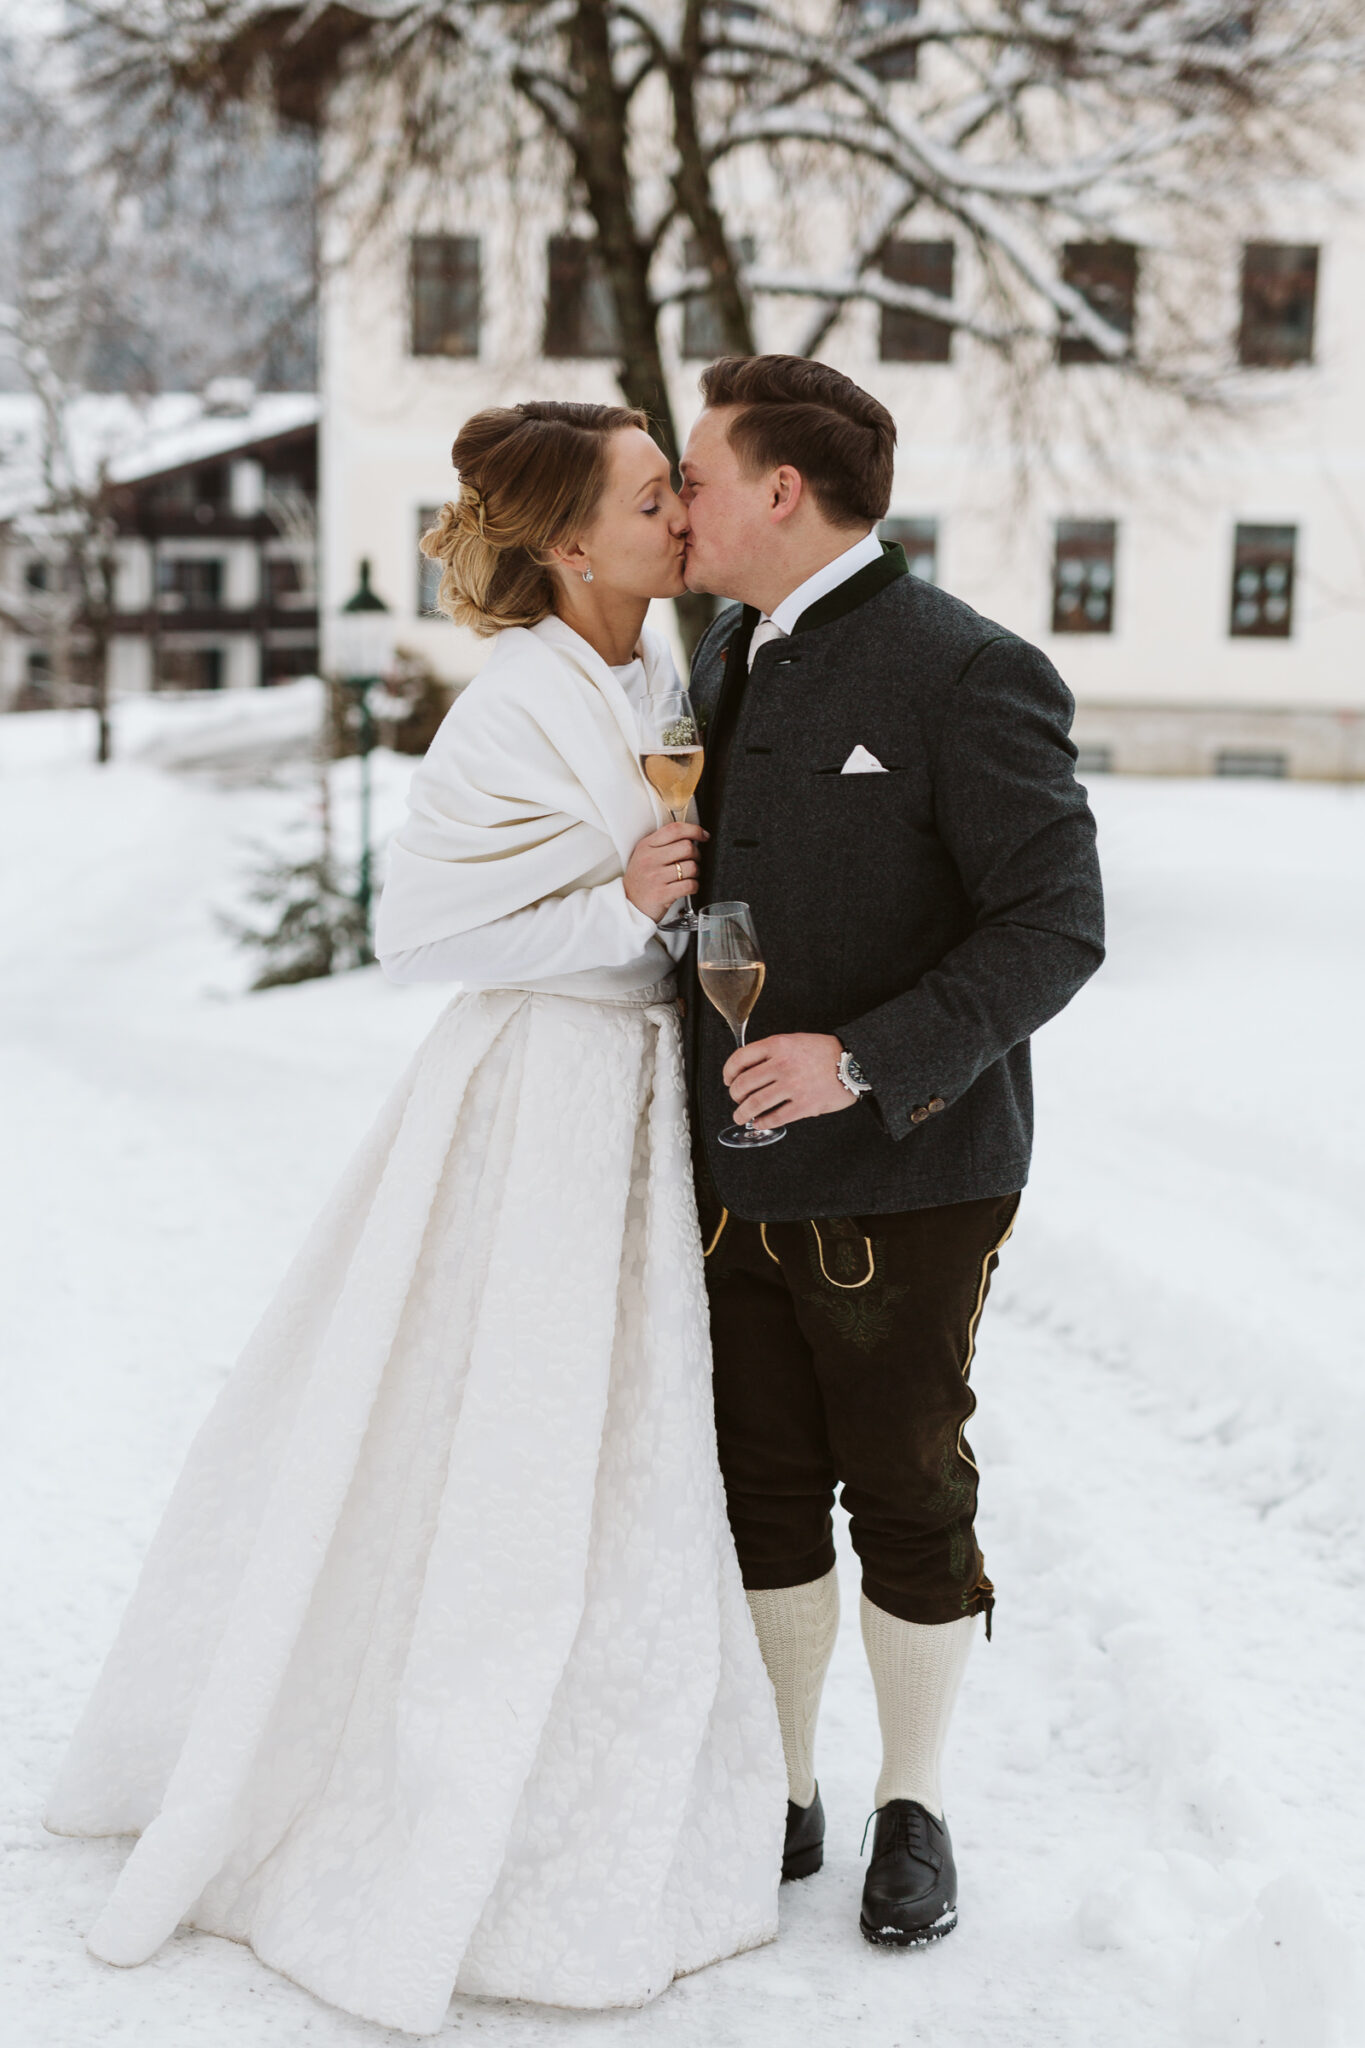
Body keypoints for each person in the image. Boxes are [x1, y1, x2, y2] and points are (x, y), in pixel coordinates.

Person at [45, 401, 786, 2035]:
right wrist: (622, 902)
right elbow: (424, 932)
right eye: (655, 492)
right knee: (506, 1430)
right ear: (569, 544)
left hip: (635, 1096)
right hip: (533, 1104)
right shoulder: (516, 702)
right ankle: (425, 1757)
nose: (685, 511)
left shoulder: (660, 669)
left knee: (623, 1441)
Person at [678, 355, 1105, 1948]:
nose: (683, 506)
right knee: (758, 1489)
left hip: (917, 1180)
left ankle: (909, 1799)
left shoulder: (966, 670)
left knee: (907, 1493)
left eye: (702, 476)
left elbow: (1056, 925)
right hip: (728, 1179)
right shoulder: (724, 652)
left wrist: (860, 1058)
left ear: (781, 491)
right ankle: (782, 1788)